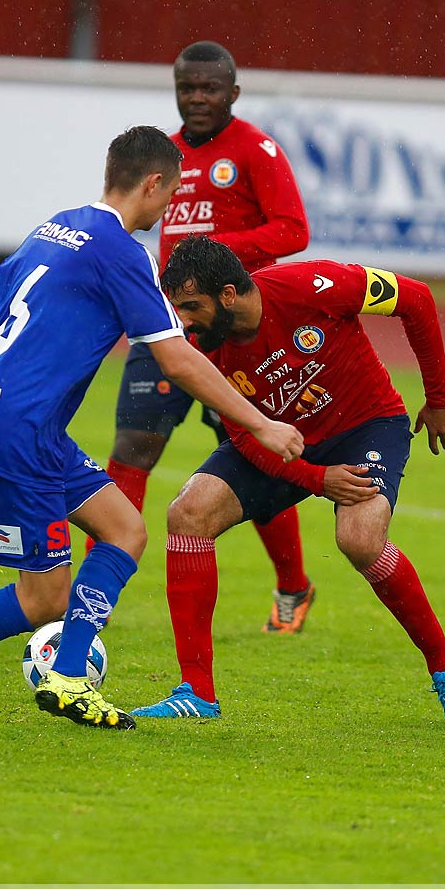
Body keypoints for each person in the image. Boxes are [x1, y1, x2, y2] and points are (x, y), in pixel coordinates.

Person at [0, 128, 303, 731]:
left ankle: (61, 675)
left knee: (126, 530)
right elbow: (177, 359)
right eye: (168, 194)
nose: (166, 208)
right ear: (151, 184)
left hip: (16, 423)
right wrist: (262, 424)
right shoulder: (122, 253)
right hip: (21, 431)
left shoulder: (54, 227)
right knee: (44, 598)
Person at [129, 236, 445, 732]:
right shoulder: (201, 350)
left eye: (191, 307)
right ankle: (196, 692)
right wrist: (317, 479)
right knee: (187, 513)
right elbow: (246, 439)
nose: (184, 322)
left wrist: (439, 396)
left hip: (365, 426)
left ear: (228, 295)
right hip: (279, 442)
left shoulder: (316, 284)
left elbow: (417, 299)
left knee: (359, 540)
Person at [105, 41, 316, 633]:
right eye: (187, 88)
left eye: (210, 88)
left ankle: (293, 586)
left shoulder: (255, 150)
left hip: (231, 332)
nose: (198, 98)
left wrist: (216, 257)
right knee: (132, 448)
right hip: (166, 321)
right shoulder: (163, 155)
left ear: (233, 93)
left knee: (256, 453)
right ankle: (99, 591)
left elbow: (294, 230)